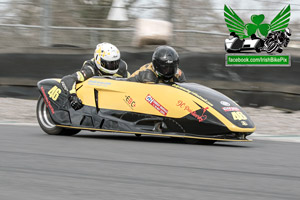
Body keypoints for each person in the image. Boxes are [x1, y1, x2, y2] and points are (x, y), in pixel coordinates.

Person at [61, 42, 130, 110]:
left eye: (116, 62)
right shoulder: (90, 69)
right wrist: (73, 97)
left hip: (116, 100)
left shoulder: (122, 68)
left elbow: (132, 82)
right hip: (95, 102)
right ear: (98, 60)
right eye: (109, 63)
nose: (113, 66)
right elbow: (68, 79)